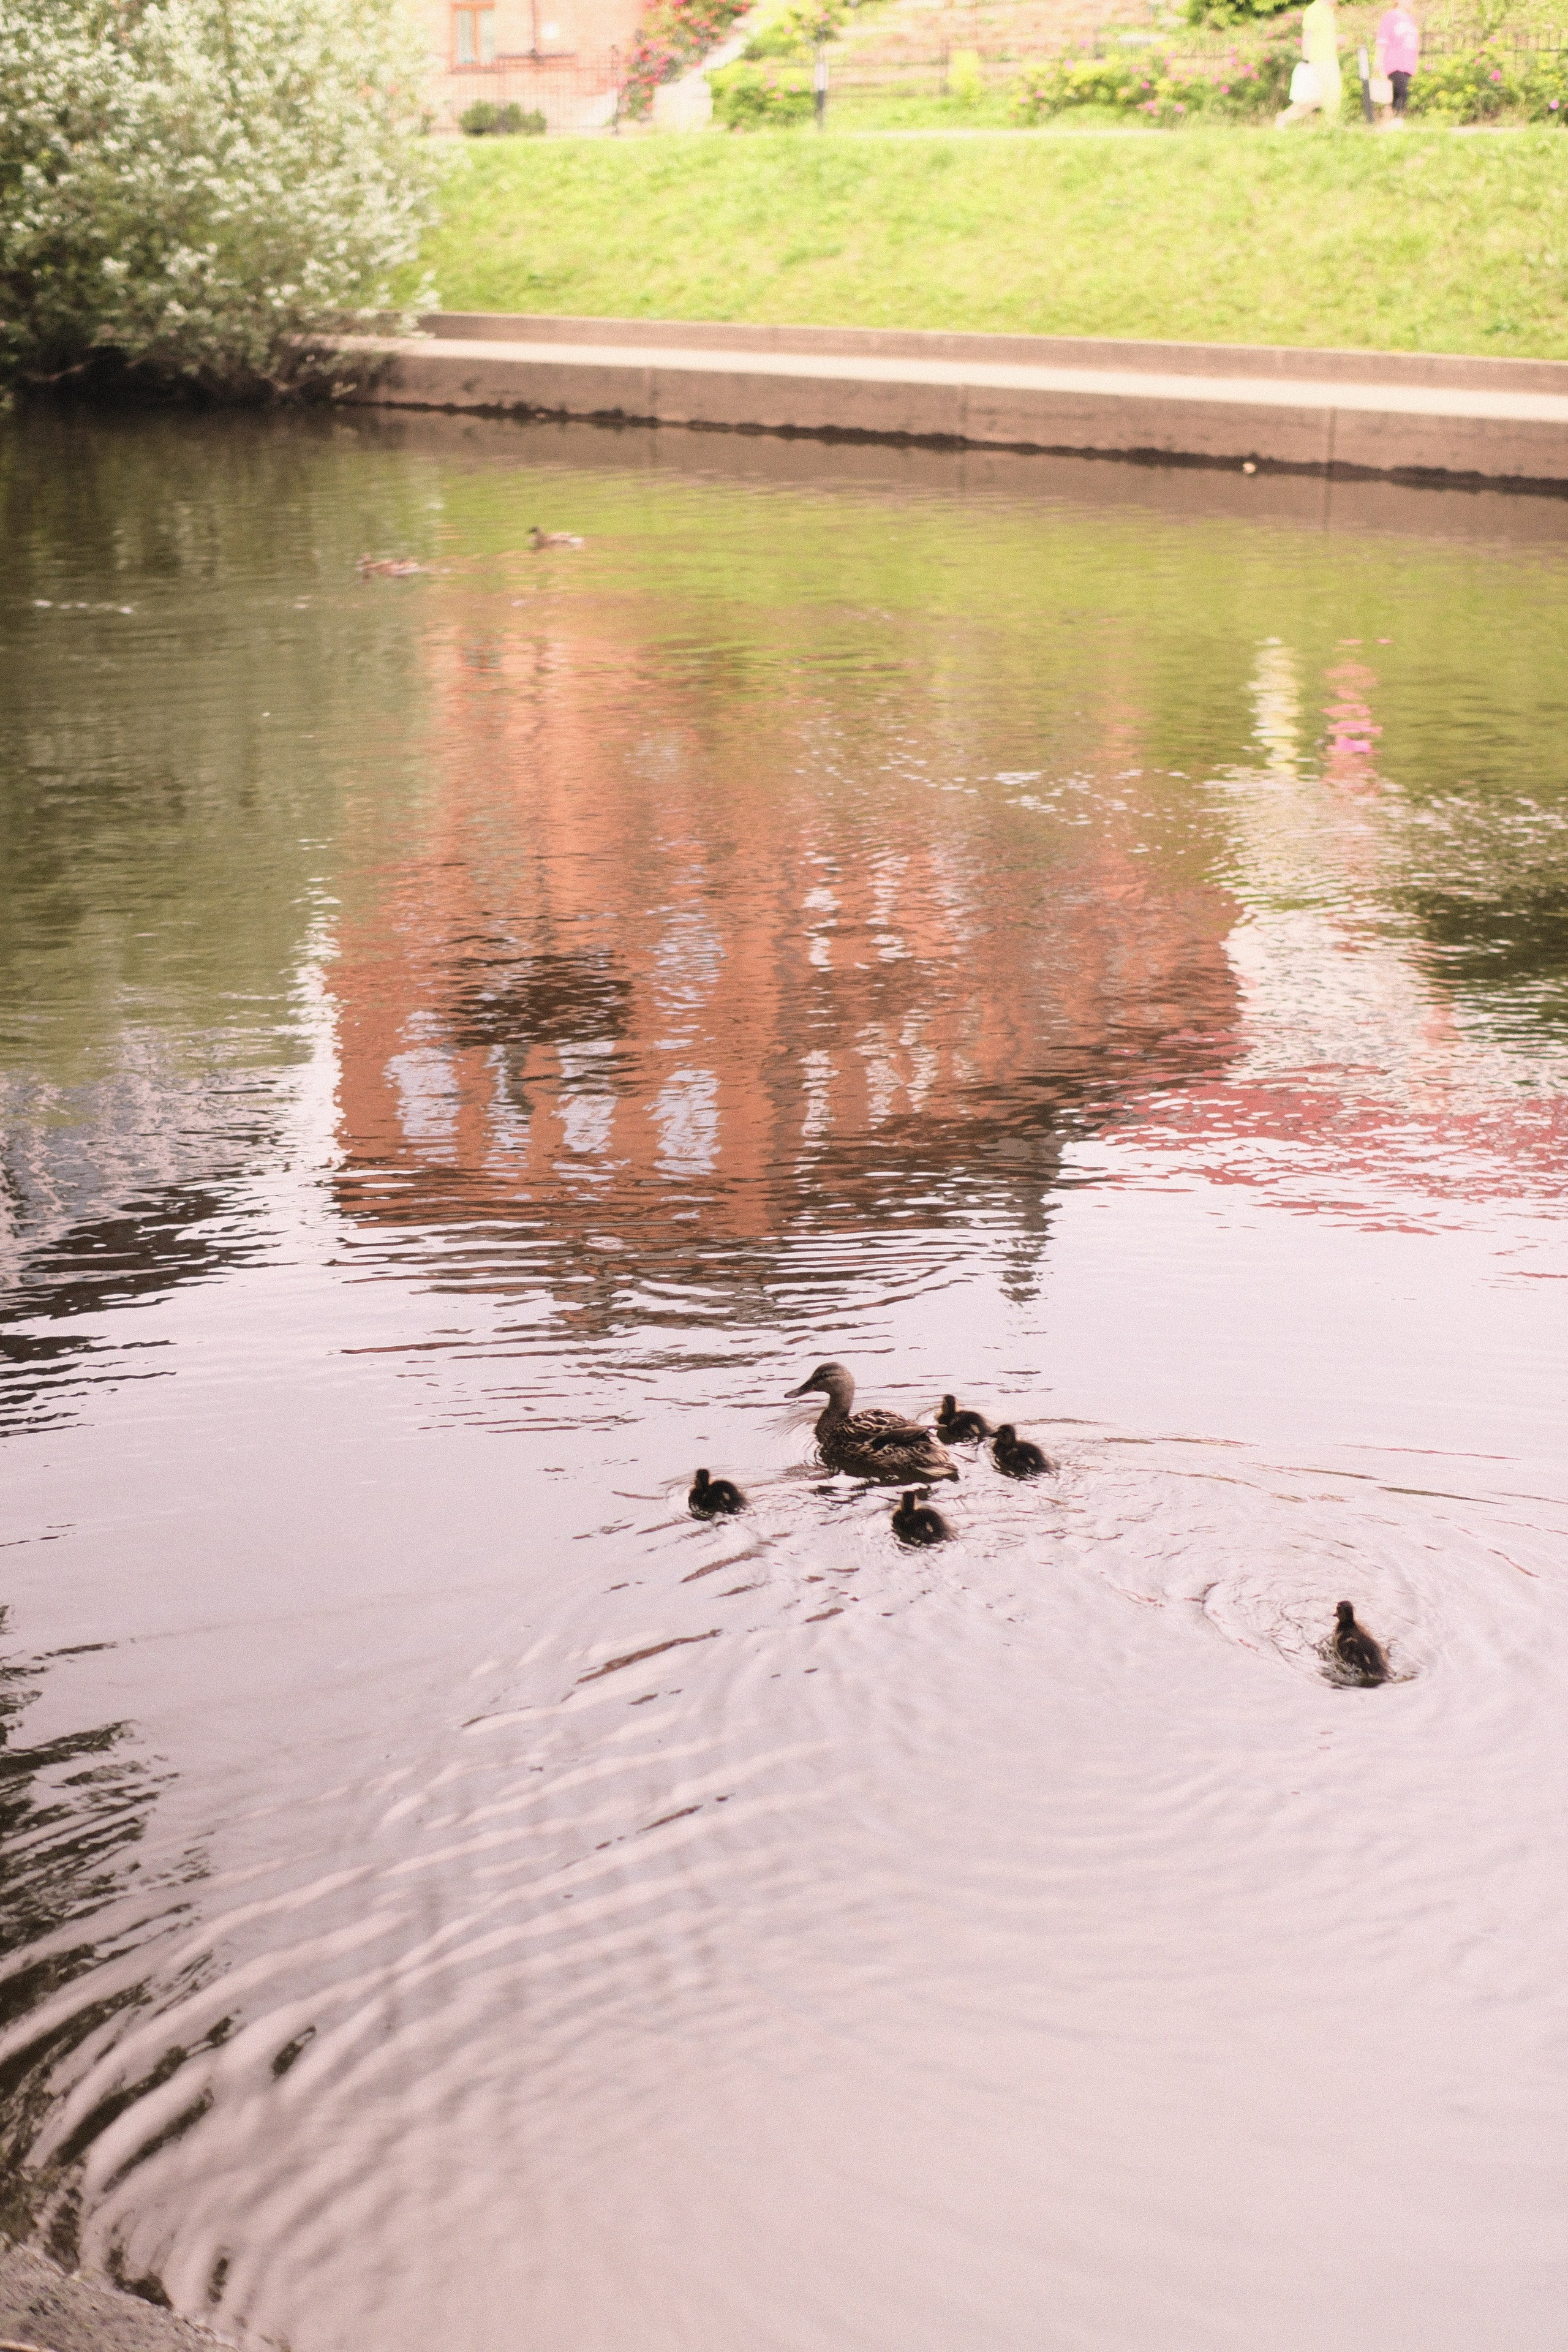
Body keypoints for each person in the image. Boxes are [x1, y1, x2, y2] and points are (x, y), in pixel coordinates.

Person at [1275, 0, 1343, 126]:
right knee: (1311, 99)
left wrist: (1337, 42)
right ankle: (1284, 118)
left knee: (1332, 96)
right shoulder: (1315, 9)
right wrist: (1306, 61)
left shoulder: (1329, 11)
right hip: (1317, 61)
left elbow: (1325, 36)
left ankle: (1332, 126)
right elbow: (1307, 36)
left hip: (1330, 59)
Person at [1374, 0, 1420, 119]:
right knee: (1401, 92)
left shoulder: (1410, 19)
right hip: (1394, 61)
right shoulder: (1390, 16)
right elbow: (1383, 39)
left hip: (1407, 63)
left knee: (1397, 94)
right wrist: (1378, 60)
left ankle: (1391, 122)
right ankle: (1396, 120)